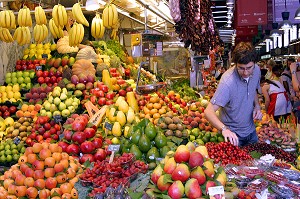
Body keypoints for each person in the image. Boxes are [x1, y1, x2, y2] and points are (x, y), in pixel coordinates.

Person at [204, 42, 262, 147]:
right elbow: (208, 111)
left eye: (249, 68)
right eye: (241, 68)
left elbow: (253, 89)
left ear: (254, 63)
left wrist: (257, 106)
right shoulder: (227, 82)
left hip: (251, 132)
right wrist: (224, 129)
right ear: (235, 64)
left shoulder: (257, 70)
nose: (246, 73)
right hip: (233, 137)